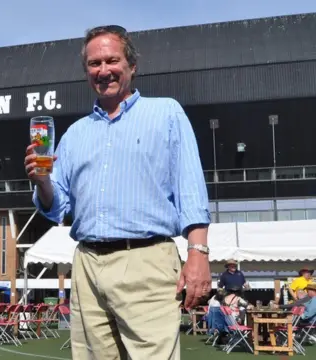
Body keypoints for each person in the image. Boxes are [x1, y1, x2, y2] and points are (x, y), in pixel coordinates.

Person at [25, 25, 211, 360]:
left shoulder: (166, 113)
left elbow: (191, 188)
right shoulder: (74, 135)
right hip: (87, 263)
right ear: (86, 72)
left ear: (132, 65)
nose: (103, 70)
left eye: (112, 60)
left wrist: (198, 254)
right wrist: (42, 182)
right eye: (94, 64)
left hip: (147, 260)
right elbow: (57, 208)